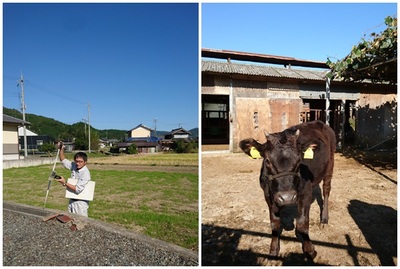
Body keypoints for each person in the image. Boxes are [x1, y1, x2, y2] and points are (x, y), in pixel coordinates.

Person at [56, 142, 91, 217]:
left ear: (85, 162)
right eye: (76, 161)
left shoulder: (85, 173)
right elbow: (63, 160)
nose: (78, 163)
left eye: (80, 162)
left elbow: (77, 189)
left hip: (80, 203)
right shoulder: (74, 166)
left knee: (81, 222)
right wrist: (61, 149)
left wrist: (65, 183)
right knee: (70, 221)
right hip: (72, 200)